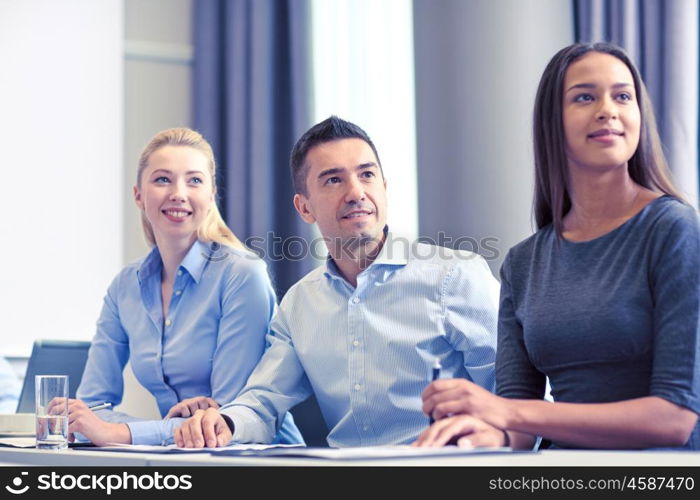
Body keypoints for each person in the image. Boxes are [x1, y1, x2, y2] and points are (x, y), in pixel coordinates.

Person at [415, 42, 700, 450]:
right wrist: (477, 434)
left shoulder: (674, 229)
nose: (608, 109)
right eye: (585, 97)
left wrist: (507, 413)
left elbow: (674, 417)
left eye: (622, 96)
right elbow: (519, 422)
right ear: (553, 121)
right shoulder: (523, 262)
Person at [174, 116, 500, 448]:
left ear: (384, 189)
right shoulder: (300, 304)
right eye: (333, 180)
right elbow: (264, 402)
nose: (356, 193)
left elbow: (514, 399)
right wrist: (224, 422)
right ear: (304, 207)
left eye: (367, 175)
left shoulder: (455, 276)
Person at [63, 127, 303, 446]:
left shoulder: (242, 275)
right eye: (163, 179)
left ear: (211, 193)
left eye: (194, 180)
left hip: (259, 460)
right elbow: (92, 406)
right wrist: (139, 429)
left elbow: (227, 419)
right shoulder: (125, 287)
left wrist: (121, 432)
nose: (178, 193)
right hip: (182, 457)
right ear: (138, 194)